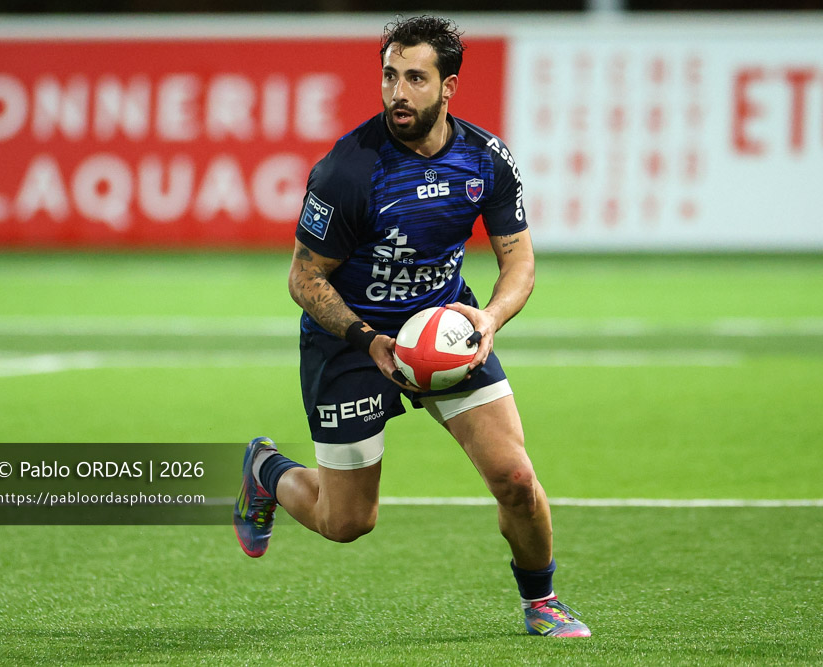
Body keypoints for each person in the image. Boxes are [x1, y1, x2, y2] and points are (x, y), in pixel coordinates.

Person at [233, 15, 590, 639]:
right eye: (390, 76)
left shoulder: (485, 159)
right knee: (346, 522)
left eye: (416, 78)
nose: (398, 92)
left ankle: (543, 600)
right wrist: (368, 340)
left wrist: (488, 318)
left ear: (448, 87)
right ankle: (265, 469)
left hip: (446, 329)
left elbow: (520, 262)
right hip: (352, 341)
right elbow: (304, 278)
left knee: (515, 479)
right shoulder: (348, 170)